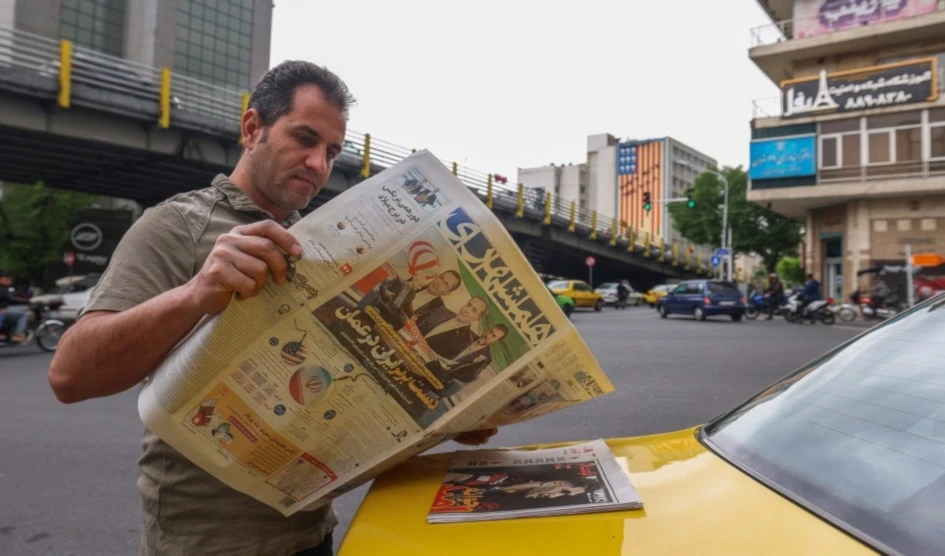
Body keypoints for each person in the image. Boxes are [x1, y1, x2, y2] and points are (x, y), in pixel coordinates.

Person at [46, 60, 496, 556]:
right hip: (205, 544)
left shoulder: (328, 242)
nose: (318, 164)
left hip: (311, 532)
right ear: (252, 127)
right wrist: (197, 293)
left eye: (331, 151)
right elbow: (69, 376)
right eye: (304, 138)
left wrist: (449, 417)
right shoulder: (179, 226)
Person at [0, 272, 29, 343]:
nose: (9, 281)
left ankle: (10, 333)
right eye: (6, 279)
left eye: (10, 280)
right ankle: (18, 334)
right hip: (2, 311)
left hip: (4, 309)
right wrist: (27, 301)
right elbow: (10, 298)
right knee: (23, 315)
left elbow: (10, 298)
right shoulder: (2, 289)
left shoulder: (5, 288)